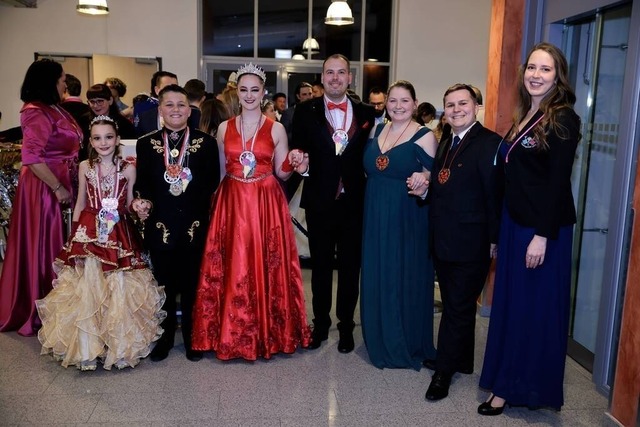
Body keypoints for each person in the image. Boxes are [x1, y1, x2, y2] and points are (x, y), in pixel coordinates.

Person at [478, 42, 581, 415]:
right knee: (511, 306)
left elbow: (557, 183)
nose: (536, 75)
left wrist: (541, 236)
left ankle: (515, 388)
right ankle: (506, 378)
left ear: (558, 76)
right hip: (514, 223)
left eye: (546, 69)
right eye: (532, 68)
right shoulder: (527, 114)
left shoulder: (563, 118)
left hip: (541, 231)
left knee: (531, 311)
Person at [191, 63, 310, 361]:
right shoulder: (224, 128)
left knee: (265, 262)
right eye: (243, 90)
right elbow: (221, 170)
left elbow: (282, 173)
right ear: (237, 91)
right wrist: (214, 204)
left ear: (263, 92)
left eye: (254, 90)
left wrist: (295, 162)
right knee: (233, 262)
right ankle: (229, 333)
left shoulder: (276, 128)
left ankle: (268, 333)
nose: (248, 95)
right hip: (232, 199)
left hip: (265, 201)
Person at [35, 115, 166, 371]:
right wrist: (75, 233)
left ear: (117, 139)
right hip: (90, 230)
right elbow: (81, 200)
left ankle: (118, 346)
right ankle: (87, 347)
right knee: (89, 284)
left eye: (108, 137)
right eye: (97, 138)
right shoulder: (85, 166)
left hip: (119, 231)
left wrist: (138, 207)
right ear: (91, 142)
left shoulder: (128, 168)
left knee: (118, 285)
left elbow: (129, 202)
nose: (103, 142)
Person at [290, 54, 376, 353]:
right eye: (330, 72)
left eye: (341, 72)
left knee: (351, 268)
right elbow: (299, 149)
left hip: (354, 203)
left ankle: (346, 326)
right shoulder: (305, 111)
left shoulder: (367, 113)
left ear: (350, 77)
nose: (335, 78)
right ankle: (321, 324)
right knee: (321, 268)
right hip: (320, 201)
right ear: (322, 77)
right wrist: (301, 164)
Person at [425, 83, 502, 401]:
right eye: (450, 105)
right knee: (459, 303)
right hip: (444, 238)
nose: (456, 110)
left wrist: (495, 238)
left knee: (456, 306)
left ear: (476, 107)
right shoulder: (447, 142)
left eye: (462, 104)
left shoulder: (490, 143)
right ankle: (463, 360)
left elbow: (495, 194)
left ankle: (443, 372)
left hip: (473, 240)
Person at [133, 84, 220, 362]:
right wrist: (142, 202)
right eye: (169, 105)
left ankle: (194, 338)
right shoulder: (146, 143)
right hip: (161, 225)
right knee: (164, 286)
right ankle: (166, 337)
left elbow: (212, 183)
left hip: (194, 224)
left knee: (192, 285)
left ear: (189, 110)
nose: (175, 110)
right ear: (160, 109)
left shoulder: (206, 143)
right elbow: (143, 183)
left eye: (181, 104)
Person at [0, 59, 82, 336]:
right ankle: (42, 307)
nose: (65, 84)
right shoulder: (36, 111)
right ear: (50, 81)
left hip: (59, 181)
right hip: (45, 187)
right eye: (62, 79)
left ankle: (61, 304)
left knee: (59, 243)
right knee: (47, 244)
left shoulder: (53, 107)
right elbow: (32, 157)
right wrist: (57, 187)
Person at [360, 80, 438, 369]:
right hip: (375, 214)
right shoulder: (377, 131)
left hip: (407, 217)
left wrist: (424, 178)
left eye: (405, 100)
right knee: (378, 272)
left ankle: (404, 340)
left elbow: (433, 178)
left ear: (415, 104)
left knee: (401, 274)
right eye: (393, 100)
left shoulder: (424, 136)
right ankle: (378, 335)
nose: (398, 106)